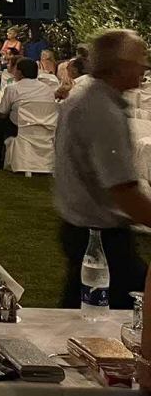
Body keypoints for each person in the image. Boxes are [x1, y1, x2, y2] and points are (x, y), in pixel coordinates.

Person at [55, 29, 151, 311]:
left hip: (82, 227)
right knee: (120, 311)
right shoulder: (102, 110)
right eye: (139, 60)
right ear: (119, 66)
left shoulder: (85, 98)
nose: (144, 66)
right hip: (99, 235)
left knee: (82, 313)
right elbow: (123, 190)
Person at [0, 56, 56, 168]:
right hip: (46, 127)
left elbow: (2, 113)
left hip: (20, 128)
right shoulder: (48, 89)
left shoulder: (13, 88)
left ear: (19, 72)